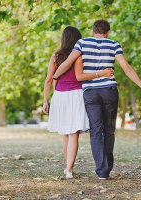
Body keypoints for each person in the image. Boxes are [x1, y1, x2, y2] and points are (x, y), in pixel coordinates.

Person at [53, 19, 141, 179]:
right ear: (108, 32)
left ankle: (101, 171)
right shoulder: (114, 45)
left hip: (91, 92)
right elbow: (127, 68)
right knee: (109, 130)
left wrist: (55, 76)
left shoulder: (82, 43)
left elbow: (67, 63)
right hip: (109, 91)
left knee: (96, 131)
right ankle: (106, 170)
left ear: (93, 31)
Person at [43, 26, 114, 179]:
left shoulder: (55, 57)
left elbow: (48, 79)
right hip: (75, 95)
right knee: (73, 133)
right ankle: (69, 170)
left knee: (66, 134)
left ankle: (68, 168)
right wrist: (100, 74)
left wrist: (45, 101)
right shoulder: (79, 55)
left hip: (60, 96)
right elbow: (80, 76)